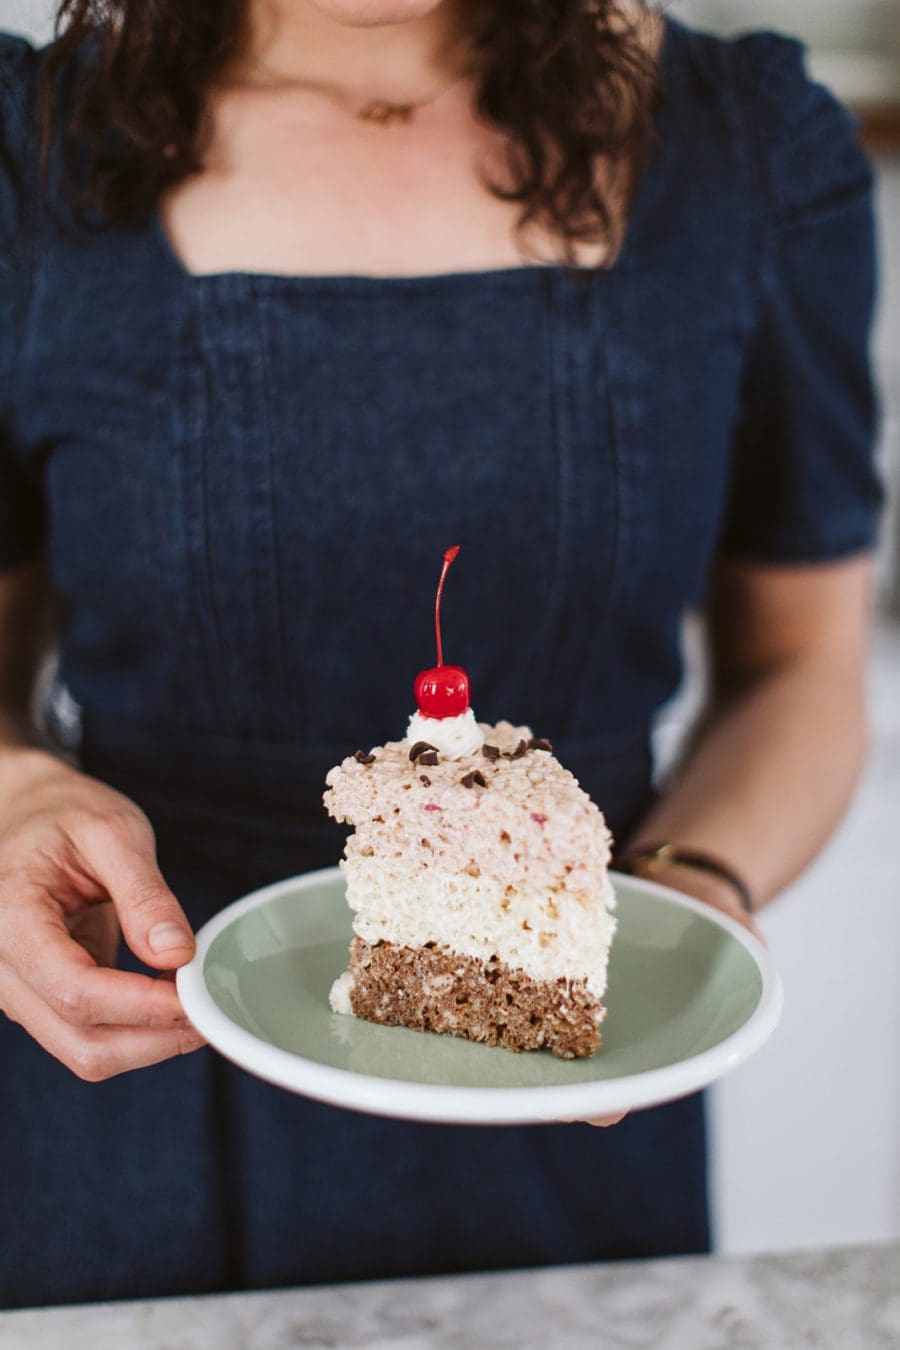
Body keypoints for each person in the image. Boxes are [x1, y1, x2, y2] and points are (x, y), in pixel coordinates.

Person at [0, 0, 882, 1309]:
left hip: (571, 1096)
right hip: (138, 1073)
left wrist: (685, 888)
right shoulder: (29, 154)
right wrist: (14, 793)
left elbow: (801, 667)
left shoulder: (750, 148)